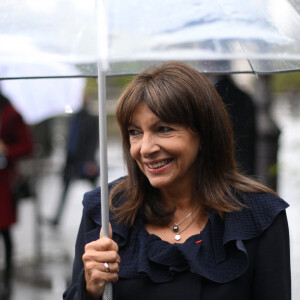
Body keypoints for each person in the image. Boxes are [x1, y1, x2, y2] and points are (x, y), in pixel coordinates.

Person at [63, 62, 290, 300]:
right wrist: (90, 289)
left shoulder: (260, 217)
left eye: (163, 129)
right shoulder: (105, 211)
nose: (146, 149)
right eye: (134, 132)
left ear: (204, 133)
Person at [0, 92, 34, 299]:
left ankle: (7, 280)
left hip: (3, 184)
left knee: (4, 232)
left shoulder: (10, 113)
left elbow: (28, 146)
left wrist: (6, 150)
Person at [49, 94, 99, 226]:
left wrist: (90, 161)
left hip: (84, 160)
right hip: (71, 161)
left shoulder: (90, 118)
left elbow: (93, 141)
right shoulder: (73, 117)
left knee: (97, 192)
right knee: (65, 190)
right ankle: (57, 218)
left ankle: (104, 215)